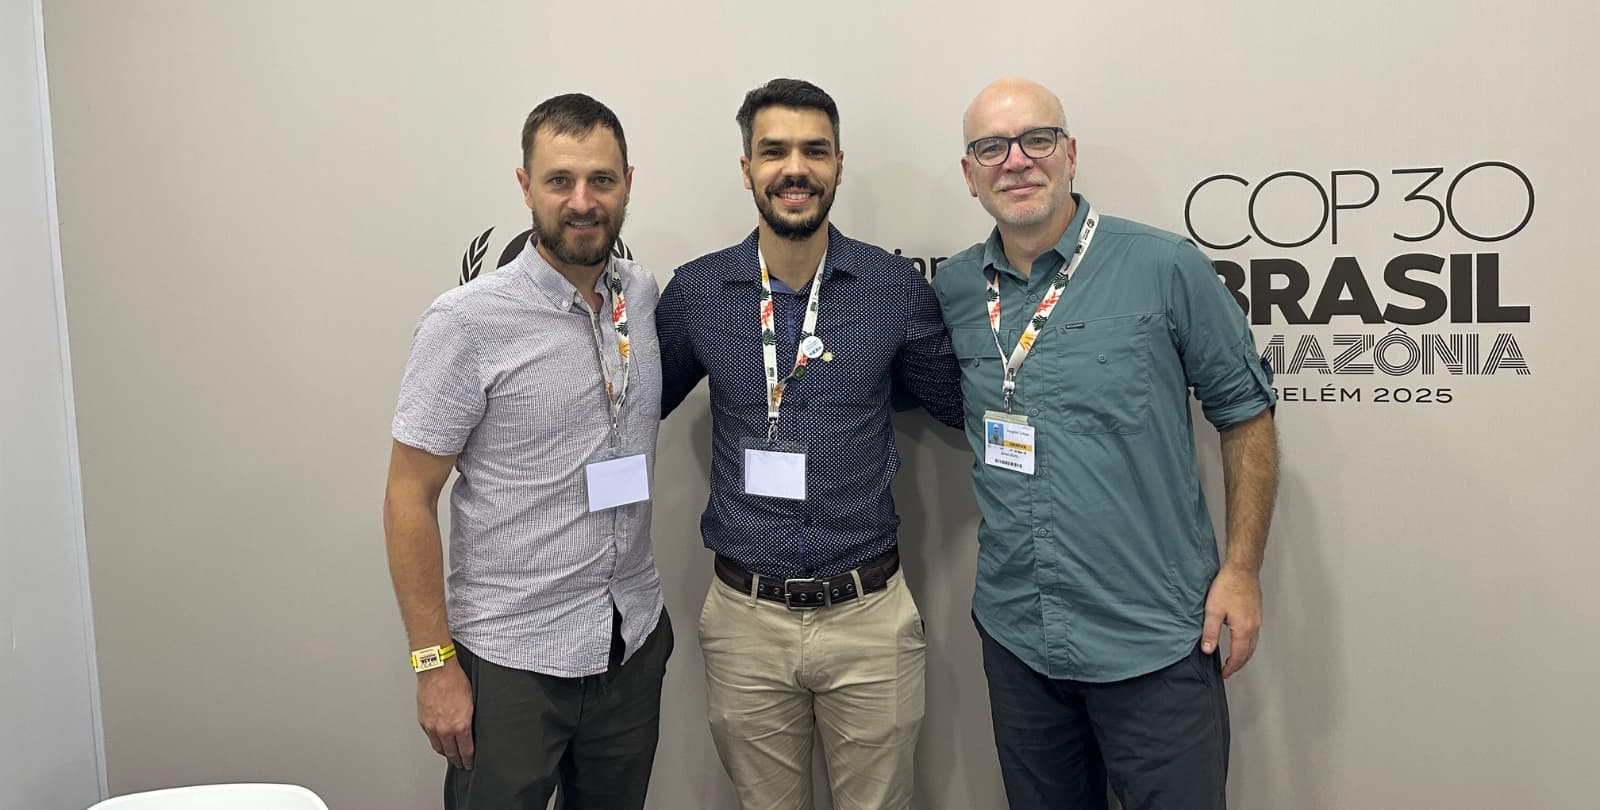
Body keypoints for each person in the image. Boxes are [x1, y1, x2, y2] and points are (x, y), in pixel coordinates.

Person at [932, 77, 1280, 810]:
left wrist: (1242, 570)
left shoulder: (1165, 267)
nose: (1016, 161)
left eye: (1038, 139)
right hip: (1019, 638)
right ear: (970, 175)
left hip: (1155, 642)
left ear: (1070, 153)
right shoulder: (956, 288)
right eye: (992, 147)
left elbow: (1246, 415)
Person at [656, 78, 963, 810]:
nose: (795, 168)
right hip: (745, 621)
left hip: (869, 616)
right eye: (774, 151)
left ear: (838, 165)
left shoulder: (893, 289)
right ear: (746, 169)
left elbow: (954, 403)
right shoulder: (697, 293)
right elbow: (636, 410)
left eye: (813, 151)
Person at [382, 93, 671, 810]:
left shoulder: (641, 292)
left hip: (629, 642)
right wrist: (433, 665)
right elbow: (406, 499)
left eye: (601, 180)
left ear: (628, 183)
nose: (582, 201)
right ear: (524, 186)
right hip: (513, 660)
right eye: (559, 181)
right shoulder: (467, 323)